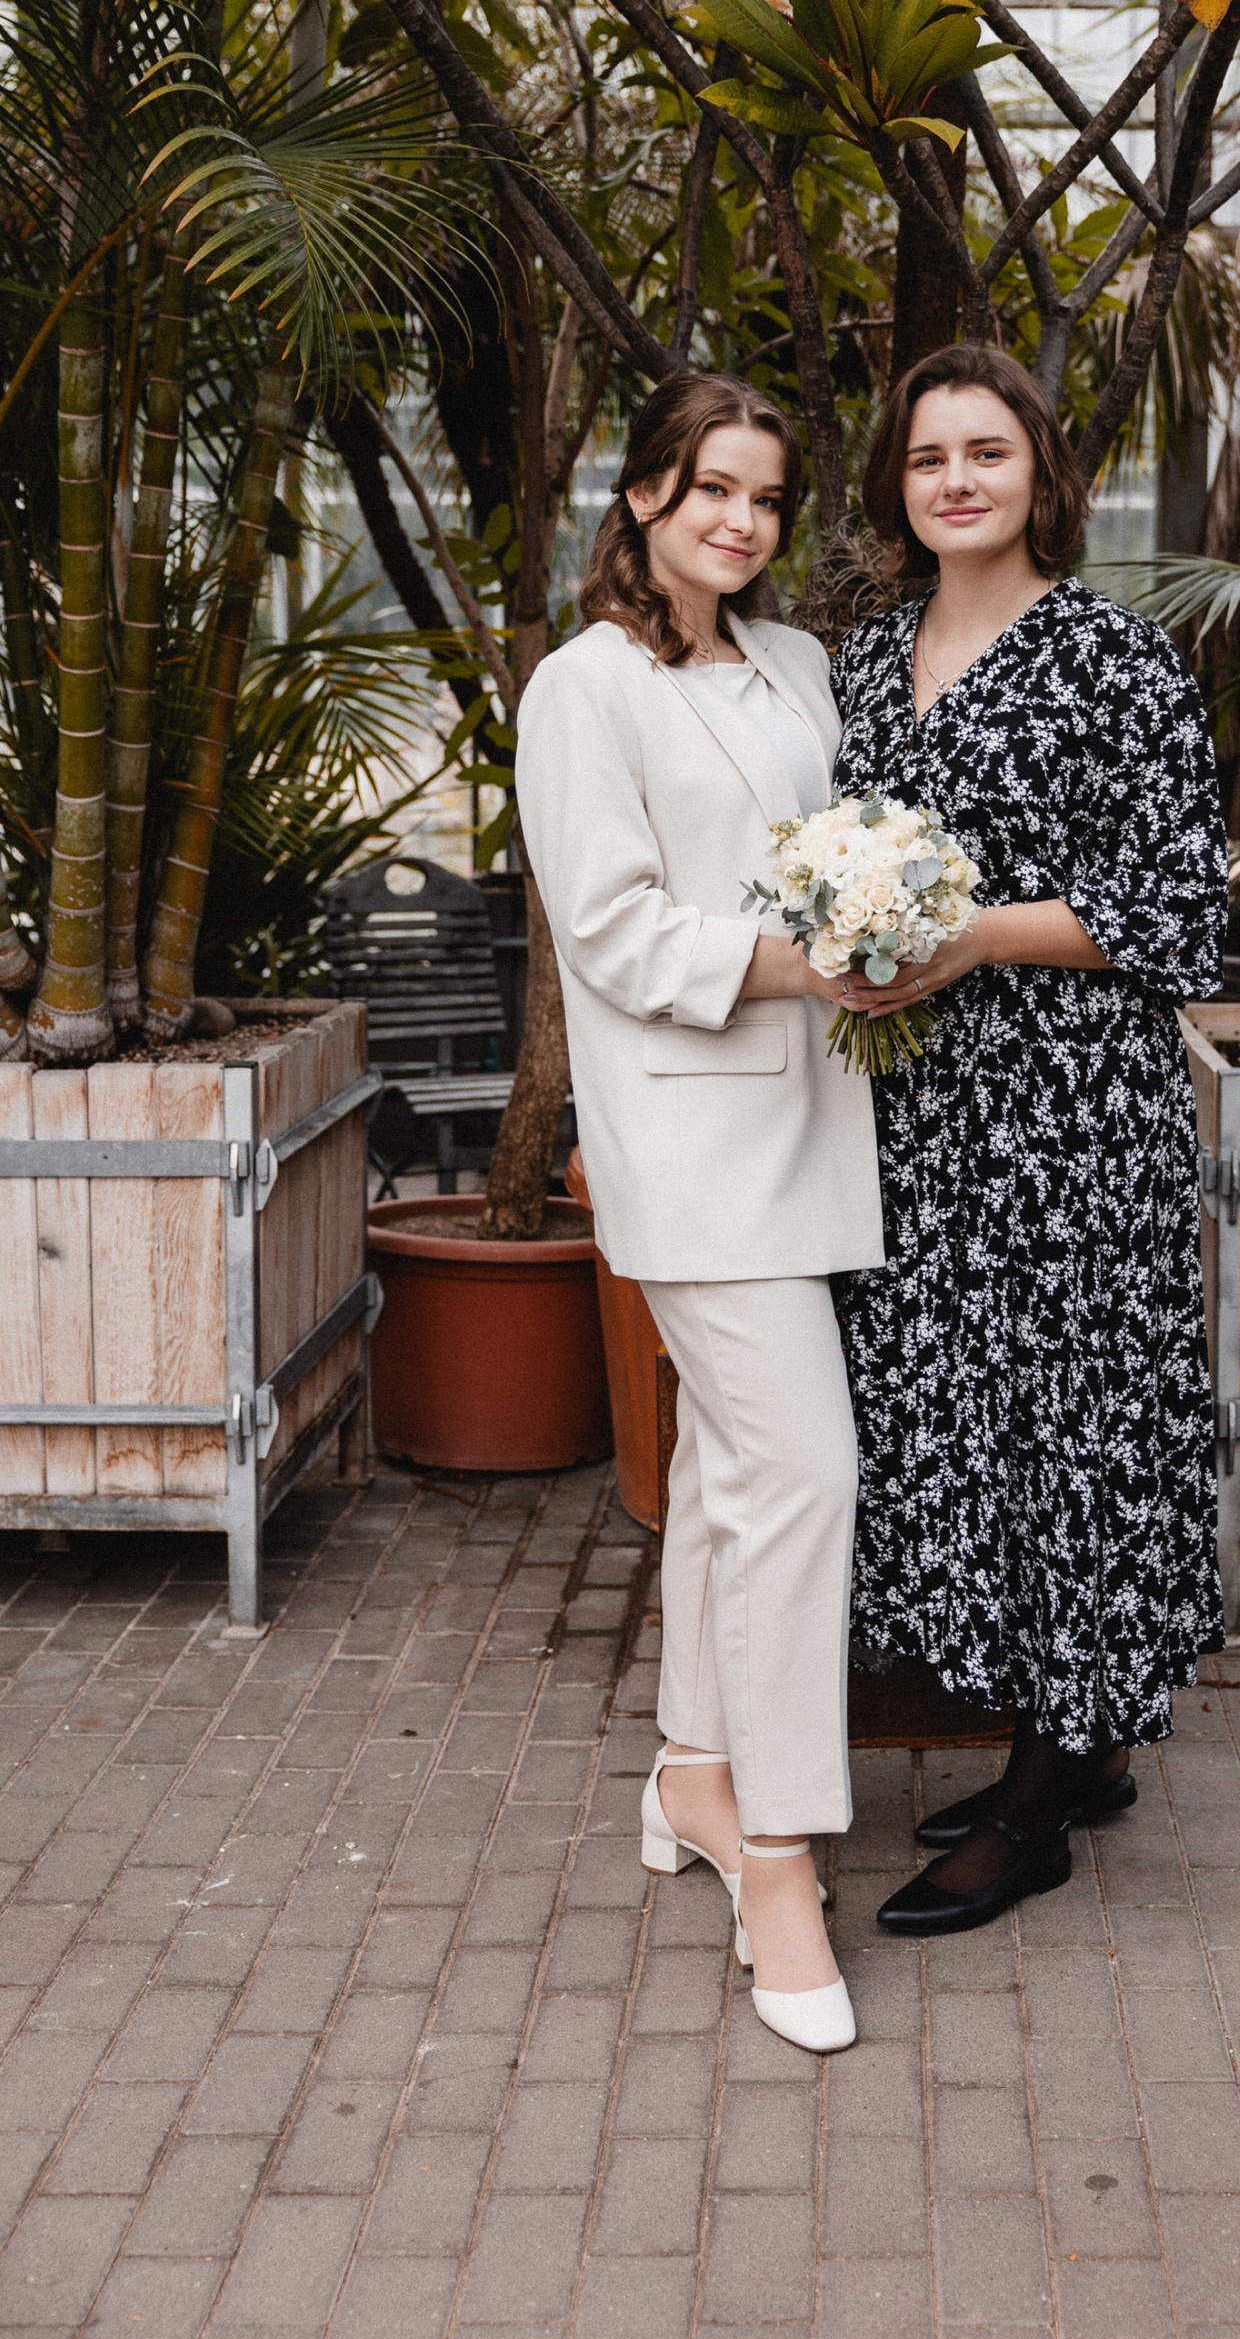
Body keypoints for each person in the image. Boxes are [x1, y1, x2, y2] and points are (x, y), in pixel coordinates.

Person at [829, 341, 1229, 1936]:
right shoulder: (866, 662)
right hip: (919, 1113)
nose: (957, 480)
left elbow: (1182, 906)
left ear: (1041, 474)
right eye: (929, 456)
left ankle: (1041, 1799)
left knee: (1076, 1424)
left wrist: (976, 935)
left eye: (986, 452)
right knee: (968, 1417)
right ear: (898, 483)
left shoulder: (1116, 657)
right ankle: (1084, 1734)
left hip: (1072, 1119)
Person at [516, 371, 884, 2051]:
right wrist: (809, 962)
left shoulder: (796, 660)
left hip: (818, 1119)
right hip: (689, 1140)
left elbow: (841, 848)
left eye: (766, 497)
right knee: (809, 1469)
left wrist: (885, 929)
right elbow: (610, 927)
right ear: (646, 493)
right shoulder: (583, 687)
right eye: (712, 487)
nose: (741, 520)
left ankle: (686, 1770)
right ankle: (782, 1851)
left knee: (741, 1475)